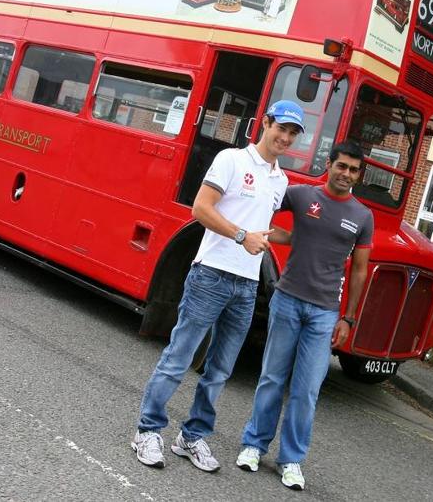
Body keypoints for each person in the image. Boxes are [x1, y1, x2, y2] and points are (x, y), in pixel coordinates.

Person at [131, 99, 305, 472]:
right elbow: (201, 209)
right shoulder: (231, 160)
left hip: (246, 286)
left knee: (220, 371)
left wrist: (303, 238)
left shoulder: (280, 179)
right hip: (210, 274)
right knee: (178, 358)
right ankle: (147, 430)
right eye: (282, 129)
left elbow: (262, 225)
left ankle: (192, 437)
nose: (285, 138)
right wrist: (241, 236)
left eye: (293, 134)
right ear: (267, 124)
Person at [235, 140, 374, 491]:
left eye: (353, 169)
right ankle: (253, 445)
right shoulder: (300, 196)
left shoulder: (362, 216)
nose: (346, 174)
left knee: (306, 390)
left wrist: (349, 318)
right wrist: (259, 234)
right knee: (271, 378)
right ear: (329, 164)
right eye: (341, 166)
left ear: (360, 175)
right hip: (287, 301)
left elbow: (358, 271)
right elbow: (258, 203)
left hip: (325, 312)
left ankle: (291, 459)